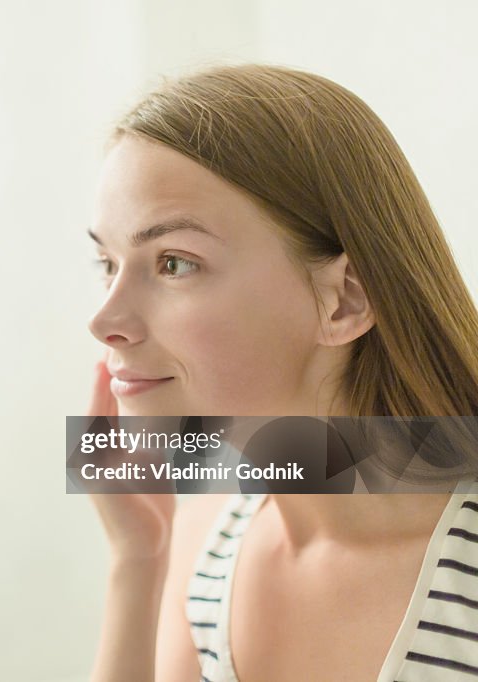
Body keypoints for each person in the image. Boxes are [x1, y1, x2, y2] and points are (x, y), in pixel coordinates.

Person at [84, 64, 478, 681]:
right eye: (107, 262)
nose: (104, 319)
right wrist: (138, 558)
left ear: (344, 300)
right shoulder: (205, 535)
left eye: (174, 263)